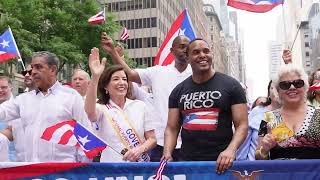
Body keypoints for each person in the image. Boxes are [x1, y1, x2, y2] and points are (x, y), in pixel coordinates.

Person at [101, 33, 192, 161]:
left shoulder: (197, 75)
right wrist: (112, 52)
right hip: (161, 144)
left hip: (190, 144)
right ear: (172, 50)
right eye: (182, 46)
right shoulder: (158, 72)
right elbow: (130, 74)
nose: (185, 50)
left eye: (188, 47)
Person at [163, 38, 248, 174]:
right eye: (196, 52)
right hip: (187, 164)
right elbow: (172, 128)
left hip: (222, 164)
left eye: (206, 51)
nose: (202, 55)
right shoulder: (178, 91)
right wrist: (167, 153)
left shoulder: (232, 86)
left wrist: (231, 150)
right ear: (188, 57)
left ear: (211, 55)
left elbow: (242, 125)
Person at [0, 51, 90, 162]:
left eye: (38, 67)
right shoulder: (23, 100)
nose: (33, 72)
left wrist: (83, 169)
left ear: (52, 70)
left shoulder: (72, 97)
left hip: (62, 173)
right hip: (31, 171)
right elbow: (2, 112)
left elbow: (85, 133)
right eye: (32, 67)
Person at [84, 47, 156, 162]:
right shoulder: (101, 108)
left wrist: (140, 149)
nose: (121, 82)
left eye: (124, 79)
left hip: (140, 169)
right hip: (111, 169)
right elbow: (89, 112)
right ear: (106, 87)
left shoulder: (140, 106)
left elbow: (152, 139)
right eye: (116, 79)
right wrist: (95, 76)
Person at [256, 64, 320, 160]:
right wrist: (265, 150)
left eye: (298, 83)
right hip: (281, 174)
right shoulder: (268, 119)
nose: (292, 87)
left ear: (305, 87)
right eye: (285, 85)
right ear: (278, 90)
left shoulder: (318, 115)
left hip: (314, 174)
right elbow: (258, 157)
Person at [237, 81, 281, 160]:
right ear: (268, 93)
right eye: (273, 87)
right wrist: (241, 164)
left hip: (293, 169)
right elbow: (246, 141)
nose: (276, 91)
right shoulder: (263, 119)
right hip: (257, 167)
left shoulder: (303, 113)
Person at [0, 76, 13, 161]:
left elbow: (11, 133)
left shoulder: (17, 106)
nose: (0, 90)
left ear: (11, 88)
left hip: (11, 159)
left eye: (4, 87)